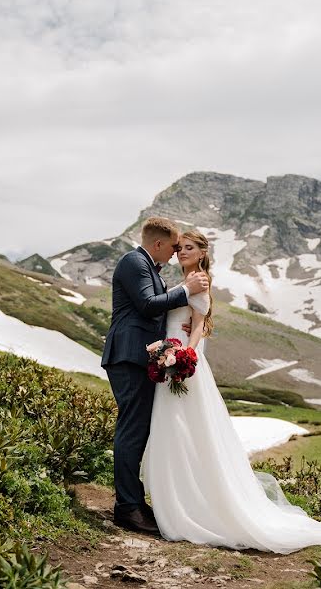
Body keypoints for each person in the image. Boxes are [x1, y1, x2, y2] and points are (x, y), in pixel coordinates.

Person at [141, 230, 321, 553]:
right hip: (169, 361)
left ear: (202, 252)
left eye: (189, 248)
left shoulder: (201, 281)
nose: (181, 252)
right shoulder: (182, 281)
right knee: (173, 433)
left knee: (188, 433)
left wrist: (185, 356)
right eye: (180, 248)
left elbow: (196, 325)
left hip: (183, 366)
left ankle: (194, 507)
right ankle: (177, 501)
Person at [101, 217, 209, 534]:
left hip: (139, 357)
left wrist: (180, 331)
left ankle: (134, 501)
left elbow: (154, 310)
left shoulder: (149, 267)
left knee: (139, 430)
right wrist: (186, 290)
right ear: (158, 244)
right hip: (128, 357)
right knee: (132, 431)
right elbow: (147, 305)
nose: (176, 252)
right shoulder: (134, 262)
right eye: (174, 246)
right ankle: (127, 508)